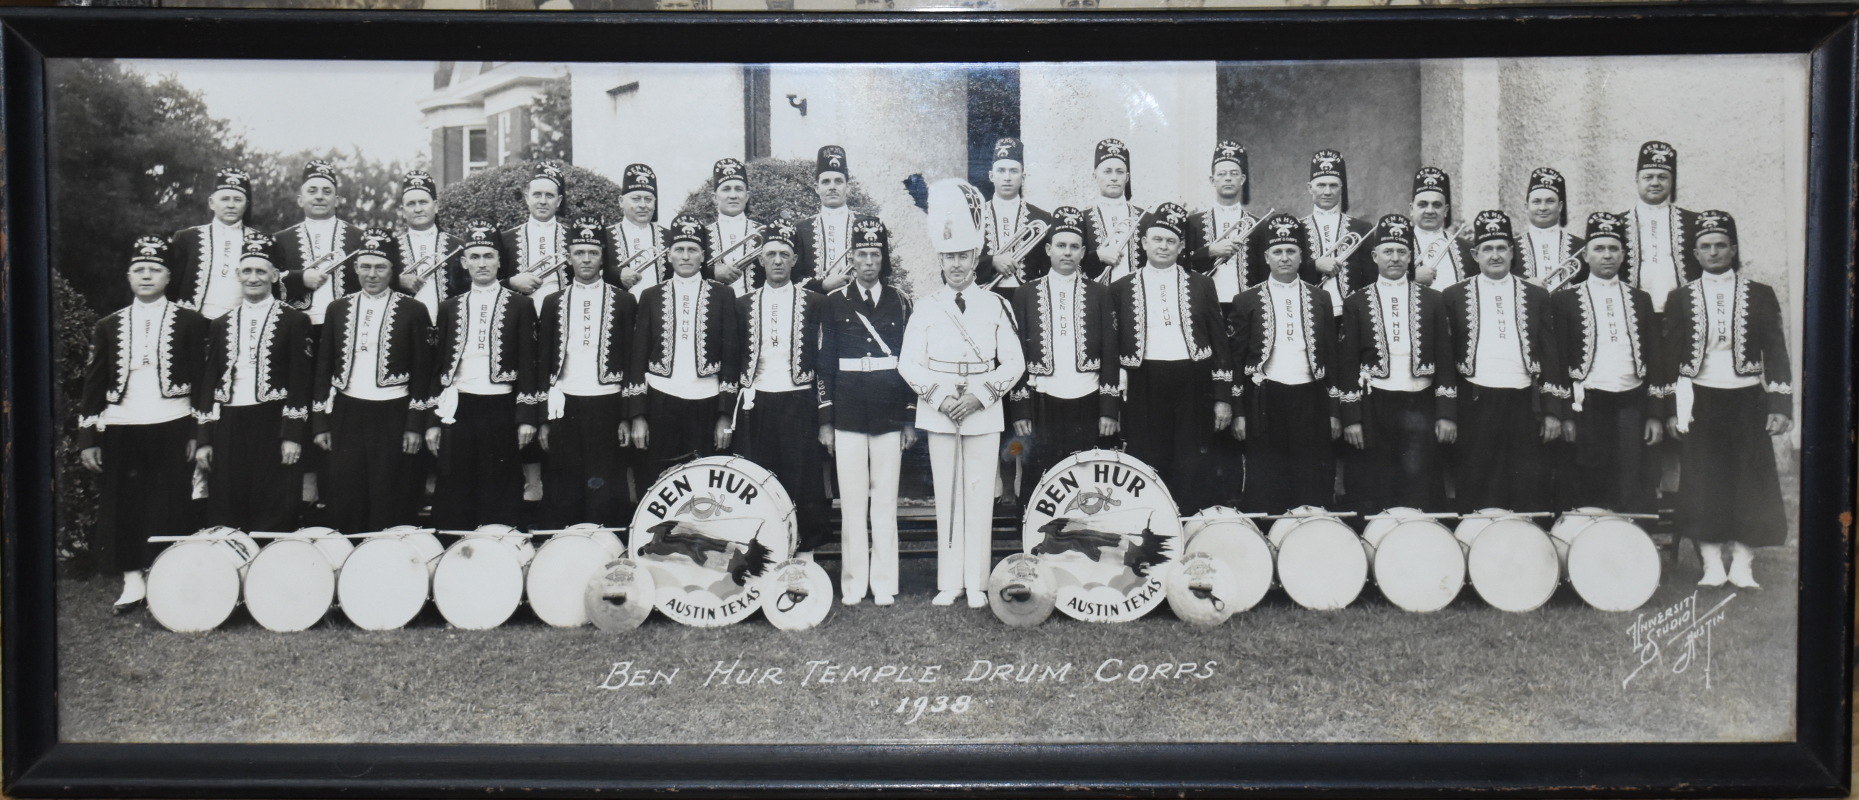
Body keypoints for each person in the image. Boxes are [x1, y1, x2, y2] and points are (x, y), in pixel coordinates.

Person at [899, 180, 1026, 608]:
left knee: (980, 494)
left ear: (975, 258)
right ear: (940, 259)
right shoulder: (925, 306)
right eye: (949, 256)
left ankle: (976, 583)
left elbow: (1014, 363)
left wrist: (981, 395)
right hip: (941, 411)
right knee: (948, 494)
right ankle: (950, 582)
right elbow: (908, 363)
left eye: (963, 256)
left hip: (982, 410)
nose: (956, 264)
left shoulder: (996, 305)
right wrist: (939, 397)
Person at [77, 237, 210, 613]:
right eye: (139, 270)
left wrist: (197, 432)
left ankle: (167, 578)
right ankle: (132, 580)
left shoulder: (191, 321)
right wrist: (88, 438)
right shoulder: (108, 325)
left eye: (155, 270)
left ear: (168, 277)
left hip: (173, 421)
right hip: (123, 424)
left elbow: (202, 382)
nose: (147, 276)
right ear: (129, 277)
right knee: (125, 503)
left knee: (171, 502)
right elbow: (94, 385)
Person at [1663, 210, 1791, 588]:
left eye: (1721, 245)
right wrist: (1671, 410)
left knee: (1751, 482)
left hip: (1748, 398)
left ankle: (1743, 565)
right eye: (1706, 246)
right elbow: (1669, 359)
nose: (1714, 252)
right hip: (1700, 400)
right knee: (1705, 481)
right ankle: (1712, 565)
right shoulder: (1680, 297)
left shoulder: (1760, 294)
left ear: (1733, 250)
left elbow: (1776, 351)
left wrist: (1780, 404)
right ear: (1695, 253)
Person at [1109, 202, 1234, 513]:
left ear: (1181, 247)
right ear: (1143, 243)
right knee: (1149, 457)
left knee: (1192, 459)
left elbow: (1219, 343)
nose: (1163, 246)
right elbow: (1115, 344)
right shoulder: (1121, 288)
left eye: (1170, 241)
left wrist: (1222, 396)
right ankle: (1153, 523)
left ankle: (1191, 523)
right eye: (1157, 239)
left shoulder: (1202, 284)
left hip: (1193, 380)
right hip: (1144, 380)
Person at [818, 218, 916, 607]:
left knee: (885, 501)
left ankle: (885, 583)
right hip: (848, 411)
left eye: (875, 254)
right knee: (853, 502)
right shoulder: (833, 301)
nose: (869, 262)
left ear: (883, 258)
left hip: (889, 411)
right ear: (852, 258)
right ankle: (854, 583)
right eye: (862, 254)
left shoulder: (901, 301)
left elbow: (910, 363)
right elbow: (824, 366)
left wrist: (909, 417)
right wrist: (826, 420)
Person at [311, 228, 433, 534]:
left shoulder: (413, 310)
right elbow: (323, 368)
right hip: (347, 412)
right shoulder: (338, 308)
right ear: (355, 268)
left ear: (392, 270)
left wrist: (414, 424)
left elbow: (423, 372)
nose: (372, 274)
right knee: (347, 492)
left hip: (393, 412)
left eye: (380, 267)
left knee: (390, 492)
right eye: (365, 266)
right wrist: (321, 422)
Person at [1442, 210, 1563, 512]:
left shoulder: (1536, 295)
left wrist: (1552, 410)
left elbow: (1550, 355)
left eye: (1501, 248)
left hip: (1523, 401)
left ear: (1512, 252)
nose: (1495, 255)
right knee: (1476, 479)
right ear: (1475, 254)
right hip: (1475, 400)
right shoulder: (1453, 295)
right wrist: (1448, 412)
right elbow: (1446, 358)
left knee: (1524, 481)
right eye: (1487, 249)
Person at [194, 233, 314, 534]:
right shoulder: (221, 323)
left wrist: (292, 435)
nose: (253, 278)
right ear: (238, 275)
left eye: (261, 271)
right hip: (229, 423)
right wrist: (205, 439)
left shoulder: (294, 321)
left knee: (273, 506)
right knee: (227, 504)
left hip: (273, 422)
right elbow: (209, 382)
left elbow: (301, 382)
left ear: (274, 276)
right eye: (246, 271)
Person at [1337, 214, 1458, 514]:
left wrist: (1446, 413)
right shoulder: (1356, 302)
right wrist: (1352, 418)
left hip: (1420, 405)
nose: (1395, 258)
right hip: (1375, 405)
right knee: (1376, 485)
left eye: (1402, 251)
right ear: (1374, 256)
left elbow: (1445, 359)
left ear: (1410, 256)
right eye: (1388, 251)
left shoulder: (1433, 299)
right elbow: (1348, 364)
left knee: (1420, 484)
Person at [426, 222, 541, 531]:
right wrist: (433, 419)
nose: (482, 264)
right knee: (456, 487)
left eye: (488, 256)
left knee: (499, 488)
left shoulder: (521, 305)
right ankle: (456, 550)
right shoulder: (449, 307)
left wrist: (526, 416)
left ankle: (498, 549)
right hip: (459, 409)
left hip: (500, 408)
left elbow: (528, 364)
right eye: (474, 257)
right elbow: (439, 368)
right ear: (464, 262)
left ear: (500, 261)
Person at [1550, 211, 1665, 513]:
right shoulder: (1565, 300)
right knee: (1588, 482)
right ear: (1585, 255)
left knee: (1630, 481)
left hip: (1631, 403)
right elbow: (1558, 362)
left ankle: (1631, 538)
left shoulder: (1640, 299)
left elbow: (1655, 359)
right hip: (1586, 407)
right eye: (1599, 248)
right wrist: (1565, 415)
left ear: (1623, 255)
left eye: (1613, 248)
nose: (1607, 255)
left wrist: (1655, 414)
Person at [1008, 206, 1120, 508]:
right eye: (1060, 245)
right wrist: (1020, 409)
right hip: (1041, 401)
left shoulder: (1100, 293)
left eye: (1074, 247)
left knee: (1088, 480)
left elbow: (1111, 352)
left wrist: (1109, 409)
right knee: (1037, 477)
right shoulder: (1025, 294)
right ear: (1048, 250)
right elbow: (1016, 354)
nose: (1067, 252)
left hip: (1088, 399)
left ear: (1083, 252)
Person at [1230, 213, 1341, 511]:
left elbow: (1331, 358)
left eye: (1291, 251)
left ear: (1302, 257)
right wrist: (1238, 413)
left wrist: (1334, 411)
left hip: (1311, 398)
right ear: (1266, 257)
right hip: (1265, 400)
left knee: (1310, 476)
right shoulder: (1246, 300)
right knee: (1267, 478)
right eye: (1277, 251)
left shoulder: (1321, 298)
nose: (1284, 258)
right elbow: (1237, 361)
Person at [734, 220, 831, 556]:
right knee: (758, 480)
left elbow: (823, 362)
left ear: (794, 260)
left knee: (802, 481)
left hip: (799, 402)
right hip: (756, 404)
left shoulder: (815, 303)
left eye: (784, 255)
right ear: (761, 260)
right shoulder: (743, 304)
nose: (777, 260)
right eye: (771, 254)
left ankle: (805, 558)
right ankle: (763, 555)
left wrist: (824, 415)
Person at [536, 217, 637, 528]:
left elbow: (631, 360)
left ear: (602, 257)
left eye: (593, 252)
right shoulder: (553, 302)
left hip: (607, 403)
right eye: (579, 253)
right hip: (565, 404)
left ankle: (605, 547)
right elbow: (544, 362)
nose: (586, 259)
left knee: (605, 488)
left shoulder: (624, 300)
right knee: (563, 487)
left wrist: (626, 416)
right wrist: (543, 418)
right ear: (569, 257)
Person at [627, 215, 740, 478]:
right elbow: (638, 356)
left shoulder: (723, 295)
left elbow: (731, 357)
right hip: (660, 399)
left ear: (703, 256)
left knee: (705, 479)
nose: (686, 256)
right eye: (679, 249)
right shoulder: (650, 295)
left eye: (693, 249)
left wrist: (725, 415)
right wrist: (638, 415)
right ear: (669, 256)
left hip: (707, 401)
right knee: (657, 477)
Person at [277, 159, 363, 332]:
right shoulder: (280, 240)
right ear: (300, 200)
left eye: (327, 191)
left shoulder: (360, 238)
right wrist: (299, 279)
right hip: (297, 329)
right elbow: (265, 284)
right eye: (312, 191)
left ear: (336, 200)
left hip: (348, 327)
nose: (319, 196)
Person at [1622, 140, 1701, 314]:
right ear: (1637, 179)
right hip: (1634, 315)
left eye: (1662, 177)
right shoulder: (1618, 224)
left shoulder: (1693, 222)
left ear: (1672, 181)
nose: (1655, 183)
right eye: (1648, 177)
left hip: (1683, 314)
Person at [167, 167, 257, 319]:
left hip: (241, 323)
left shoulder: (260, 241)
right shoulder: (187, 238)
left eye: (237, 200)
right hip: (193, 322)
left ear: (246, 205)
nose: (231, 205)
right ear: (211, 203)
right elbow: (171, 286)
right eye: (224, 199)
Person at [795, 145, 885, 294]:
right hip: (815, 305)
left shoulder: (869, 225)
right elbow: (794, 277)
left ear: (847, 187)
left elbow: (882, 272)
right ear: (817, 188)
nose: (832, 187)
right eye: (826, 182)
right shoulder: (801, 228)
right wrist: (822, 285)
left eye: (838, 181)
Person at [1300, 149, 1376, 321]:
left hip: (1351, 317)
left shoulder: (1362, 228)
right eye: (1321, 185)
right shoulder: (1297, 228)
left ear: (1342, 188)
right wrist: (1314, 266)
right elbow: (1285, 272)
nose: (1327, 192)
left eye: (1333, 185)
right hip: (1308, 315)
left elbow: (1372, 278)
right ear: (1309, 188)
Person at [1185, 141, 1262, 305]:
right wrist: (1210, 251)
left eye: (1234, 173)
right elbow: (1181, 265)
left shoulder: (1258, 225)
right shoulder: (1193, 223)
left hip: (1246, 308)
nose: (1228, 178)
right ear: (1212, 180)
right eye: (1221, 174)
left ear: (1242, 179)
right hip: (1206, 307)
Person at [977, 136, 1053, 301]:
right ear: (991, 175)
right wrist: (992, 261)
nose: (1007, 177)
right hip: (985, 299)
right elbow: (961, 264)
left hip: (1029, 300)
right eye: (1001, 170)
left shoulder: (1042, 218)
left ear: (1023, 177)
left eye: (1013, 171)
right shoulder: (974, 216)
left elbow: (1049, 270)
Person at [389, 169, 466, 325]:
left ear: (436, 206)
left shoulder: (458, 247)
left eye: (423, 202)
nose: (418, 209)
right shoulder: (390, 248)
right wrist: (396, 281)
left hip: (450, 331)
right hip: (405, 332)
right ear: (403, 211)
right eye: (411, 204)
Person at [499, 160, 572, 312]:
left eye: (549, 195)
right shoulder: (505, 240)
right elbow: (488, 285)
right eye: (537, 195)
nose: (543, 201)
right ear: (527, 198)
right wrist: (511, 283)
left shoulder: (573, 238)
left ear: (559, 201)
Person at [1082, 138, 1144, 283]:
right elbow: (1069, 262)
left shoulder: (1145, 218)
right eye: (1107, 171)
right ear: (1095, 176)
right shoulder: (1082, 219)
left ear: (1127, 177)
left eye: (1120, 172)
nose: (1114, 178)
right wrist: (1098, 256)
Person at [605, 163, 670, 297]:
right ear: (621, 201)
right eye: (636, 199)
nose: (643, 205)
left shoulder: (669, 237)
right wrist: (617, 274)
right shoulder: (605, 236)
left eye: (648, 199)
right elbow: (588, 271)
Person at [1517, 167, 1587, 288]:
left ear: (1560, 206)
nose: (1543, 208)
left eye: (1550, 201)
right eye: (1536, 201)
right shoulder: (1510, 248)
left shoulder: (1581, 248)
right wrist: (1522, 285)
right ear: (1526, 207)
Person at [703, 157, 764, 295]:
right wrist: (712, 272)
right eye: (726, 189)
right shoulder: (702, 235)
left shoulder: (763, 233)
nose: (733, 195)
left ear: (747, 196)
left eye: (738, 189)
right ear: (714, 197)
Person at [1410, 166, 1472, 293]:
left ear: (1446, 210)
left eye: (1436, 205)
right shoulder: (1396, 246)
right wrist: (1411, 278)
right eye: (1422, 204)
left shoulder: (1465, 250)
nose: (1429, 211)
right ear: (1412, 209)